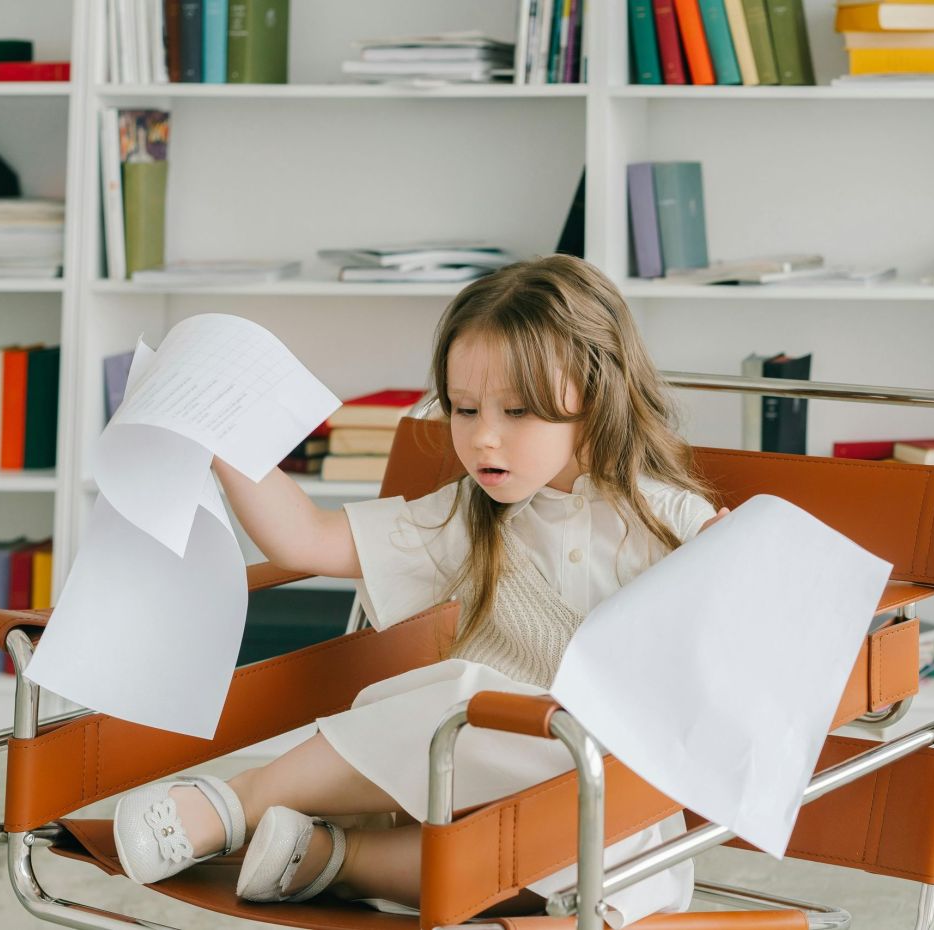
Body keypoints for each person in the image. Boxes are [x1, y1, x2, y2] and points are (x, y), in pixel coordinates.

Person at [111, 254, 729, 924]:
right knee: (466, 698)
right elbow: (308, 540)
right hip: (457, 775)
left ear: (596, 394)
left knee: (610, 852)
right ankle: (235, 802)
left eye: (517, 410)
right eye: (464, 409)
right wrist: (218, 441)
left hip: (599, 807)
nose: (483, 437)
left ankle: (332, 861)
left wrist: (731, 580)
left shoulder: (674, 525)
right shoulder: (467, 517)